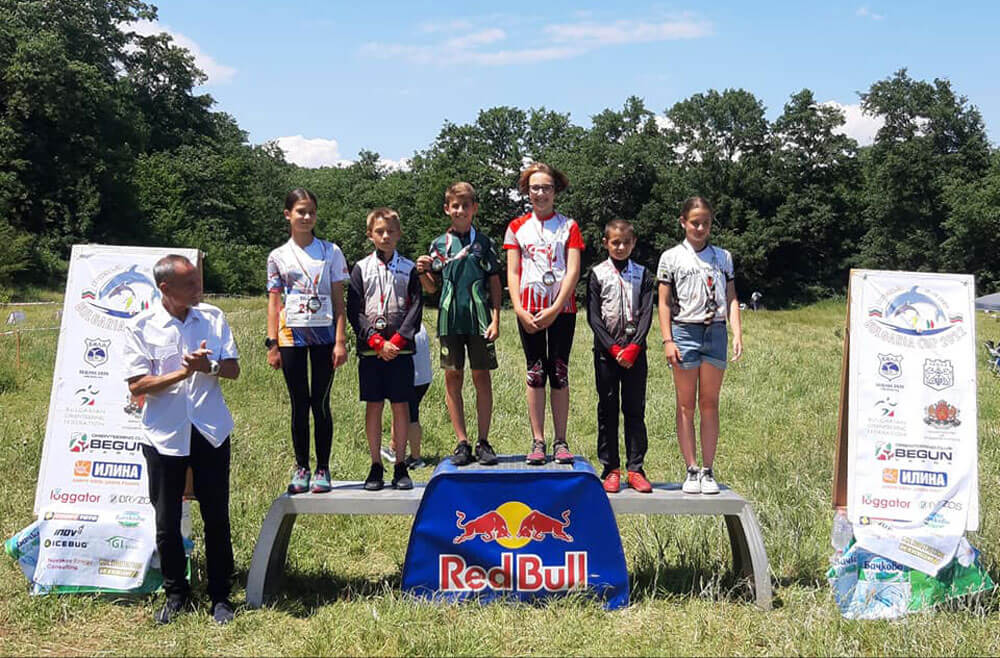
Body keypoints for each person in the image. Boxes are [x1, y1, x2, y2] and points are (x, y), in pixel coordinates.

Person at [122, 255, 240, 625]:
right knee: (167, 520)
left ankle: (220, 595)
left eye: (198, 281)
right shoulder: (141, 326)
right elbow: (138, 385)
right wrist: (183, 373)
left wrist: (210, 367)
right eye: (189, 284)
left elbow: (233, 369)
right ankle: (176, 594)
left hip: (209, 431)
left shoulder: (213, 317)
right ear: (165, 288)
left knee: (216, 517)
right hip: (164, 435)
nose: (198, 289)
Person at [656, 197, 744, 495]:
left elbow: (731, 296)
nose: (700, 228)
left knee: (709, 403)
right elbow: (663, 302)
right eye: (695, 223)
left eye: (706, 223)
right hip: (684, 332)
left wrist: (736, 332)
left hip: (715, 332)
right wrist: (668, 340)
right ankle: (691, 469)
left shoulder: (723, 257)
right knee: (685, 404)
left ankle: (708, 469)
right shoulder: (671, 257)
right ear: (683, 222)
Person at [266, 188, 349, 494]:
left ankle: (323, 468)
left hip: (324, 336)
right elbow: (274, 302)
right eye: (301, 211)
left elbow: (339, 299)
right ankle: (302, 467)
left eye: (311, 211)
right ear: (288, 214)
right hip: (291, 337)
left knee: (320, 402)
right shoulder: (277, 256)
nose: (306, 217)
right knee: (299, 403)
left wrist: (340, 340)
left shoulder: (331, 251)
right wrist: (272, 343)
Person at [415, 182, 501, 466]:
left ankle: (483, 441)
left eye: (466, 206)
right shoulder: (438, 245)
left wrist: (496, 318)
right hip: (449, 320)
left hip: (480, 320)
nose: (460, 211)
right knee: (453, 378)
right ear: (446, 209)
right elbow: (431, 288)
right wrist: (422, 272)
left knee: (481, 377)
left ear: (474, 208)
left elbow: (495, 282)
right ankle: (462, 442)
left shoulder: (484, 243)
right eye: (455, 206)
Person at [504, 163, 584, 465]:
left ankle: (561, 440)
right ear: (527, 191)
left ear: (555, 190)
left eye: (546, 187)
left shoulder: (569, 226)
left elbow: (573, 270)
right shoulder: (516, 227)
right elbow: (513, 271)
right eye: (535, 187)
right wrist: (518, 308)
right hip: (529, 309)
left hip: (561, 308)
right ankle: (538, 440)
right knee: (535, 372)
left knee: (559, 372)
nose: (540, 193)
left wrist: (556, 307)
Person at [347, 207, 422, 491]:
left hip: (400, 351)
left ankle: (400, 464)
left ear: (399, 234)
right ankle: (376, 464)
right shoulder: (360, 268)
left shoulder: (409, 268)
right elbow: (355, 310)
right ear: (370, 235)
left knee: (401, 406)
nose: (385, 236)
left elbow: (416, 308)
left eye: (391, 231)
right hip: (372, 351)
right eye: (379, 231)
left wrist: (398, 341)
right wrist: (376, 341)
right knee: (374, 406)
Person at [586, 219, 656, 494]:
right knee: (607, 409)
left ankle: (635, 469)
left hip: (635, 353)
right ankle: (610, 468)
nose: (620, 247)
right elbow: (593, 316)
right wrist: (614, 349)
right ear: (606, 243)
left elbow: (647, 313)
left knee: (635, 410)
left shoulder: (643, 274)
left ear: (633, 243)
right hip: (607, 354)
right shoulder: (597, 274)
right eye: (615, 242)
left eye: (626, 242)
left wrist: (634, 346)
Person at [380, 322, 430, 469]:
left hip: (410, 378)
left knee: (411, 417)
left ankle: (415, 457)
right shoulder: (419, 325)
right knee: (402, 411)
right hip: (424, 378)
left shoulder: (401, 328)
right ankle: (394, 447)